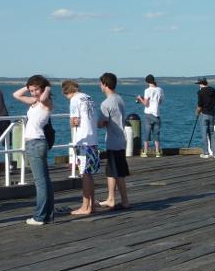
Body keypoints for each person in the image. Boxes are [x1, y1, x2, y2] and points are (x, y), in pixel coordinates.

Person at [13, 75, 54, 225]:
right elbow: (16, 95)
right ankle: (48, 214)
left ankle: (40, 217)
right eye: (31, 90)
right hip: (34, 144)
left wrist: (47, 87)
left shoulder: (46, 102)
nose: (34, 93)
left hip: (36, 143)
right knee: (45, 181)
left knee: (41, 182)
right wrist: (28, 86)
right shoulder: (34, 102)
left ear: (42, 89)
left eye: (36, 89)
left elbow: (43, 98)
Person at [62, 79, 100, 215]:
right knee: (89, 174)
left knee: (84, 173)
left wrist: (72, 122)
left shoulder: (74, 100)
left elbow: (73, 121)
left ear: (67, 92)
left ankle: (85, 207)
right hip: (93, 138)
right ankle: (92, 205)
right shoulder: (89, 97)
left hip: (83, 140)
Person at [98, 72, 130, 210]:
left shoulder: (106, 103)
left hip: (114, 141)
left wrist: (94, 122)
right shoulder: (119, 99)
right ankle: (111, 198)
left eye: (101, 83)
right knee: (111, 171)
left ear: (105, 84)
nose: (100, 85)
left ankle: (125, 201)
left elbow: (102, 123)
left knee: (118, 173)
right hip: (121, 139)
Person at [136, 74, 164, 157]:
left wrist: (139, 98)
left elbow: (145, 103)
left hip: (148, 114)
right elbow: (160, 102)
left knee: (147, 133)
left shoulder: (147, 90)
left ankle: (145, 152)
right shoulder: (160, 90)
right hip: (157, 114)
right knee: (157, 134)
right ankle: (157, 152)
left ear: (147, 82)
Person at [195, 77, 215, 159]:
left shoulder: (200, 92)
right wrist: (211, 107)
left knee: (204, 134)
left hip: (204, 115)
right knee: (212, 134)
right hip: (212, 114)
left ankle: (206, 153)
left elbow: (199, 105)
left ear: (200, 84)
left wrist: (197, 112)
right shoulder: (212, 90)